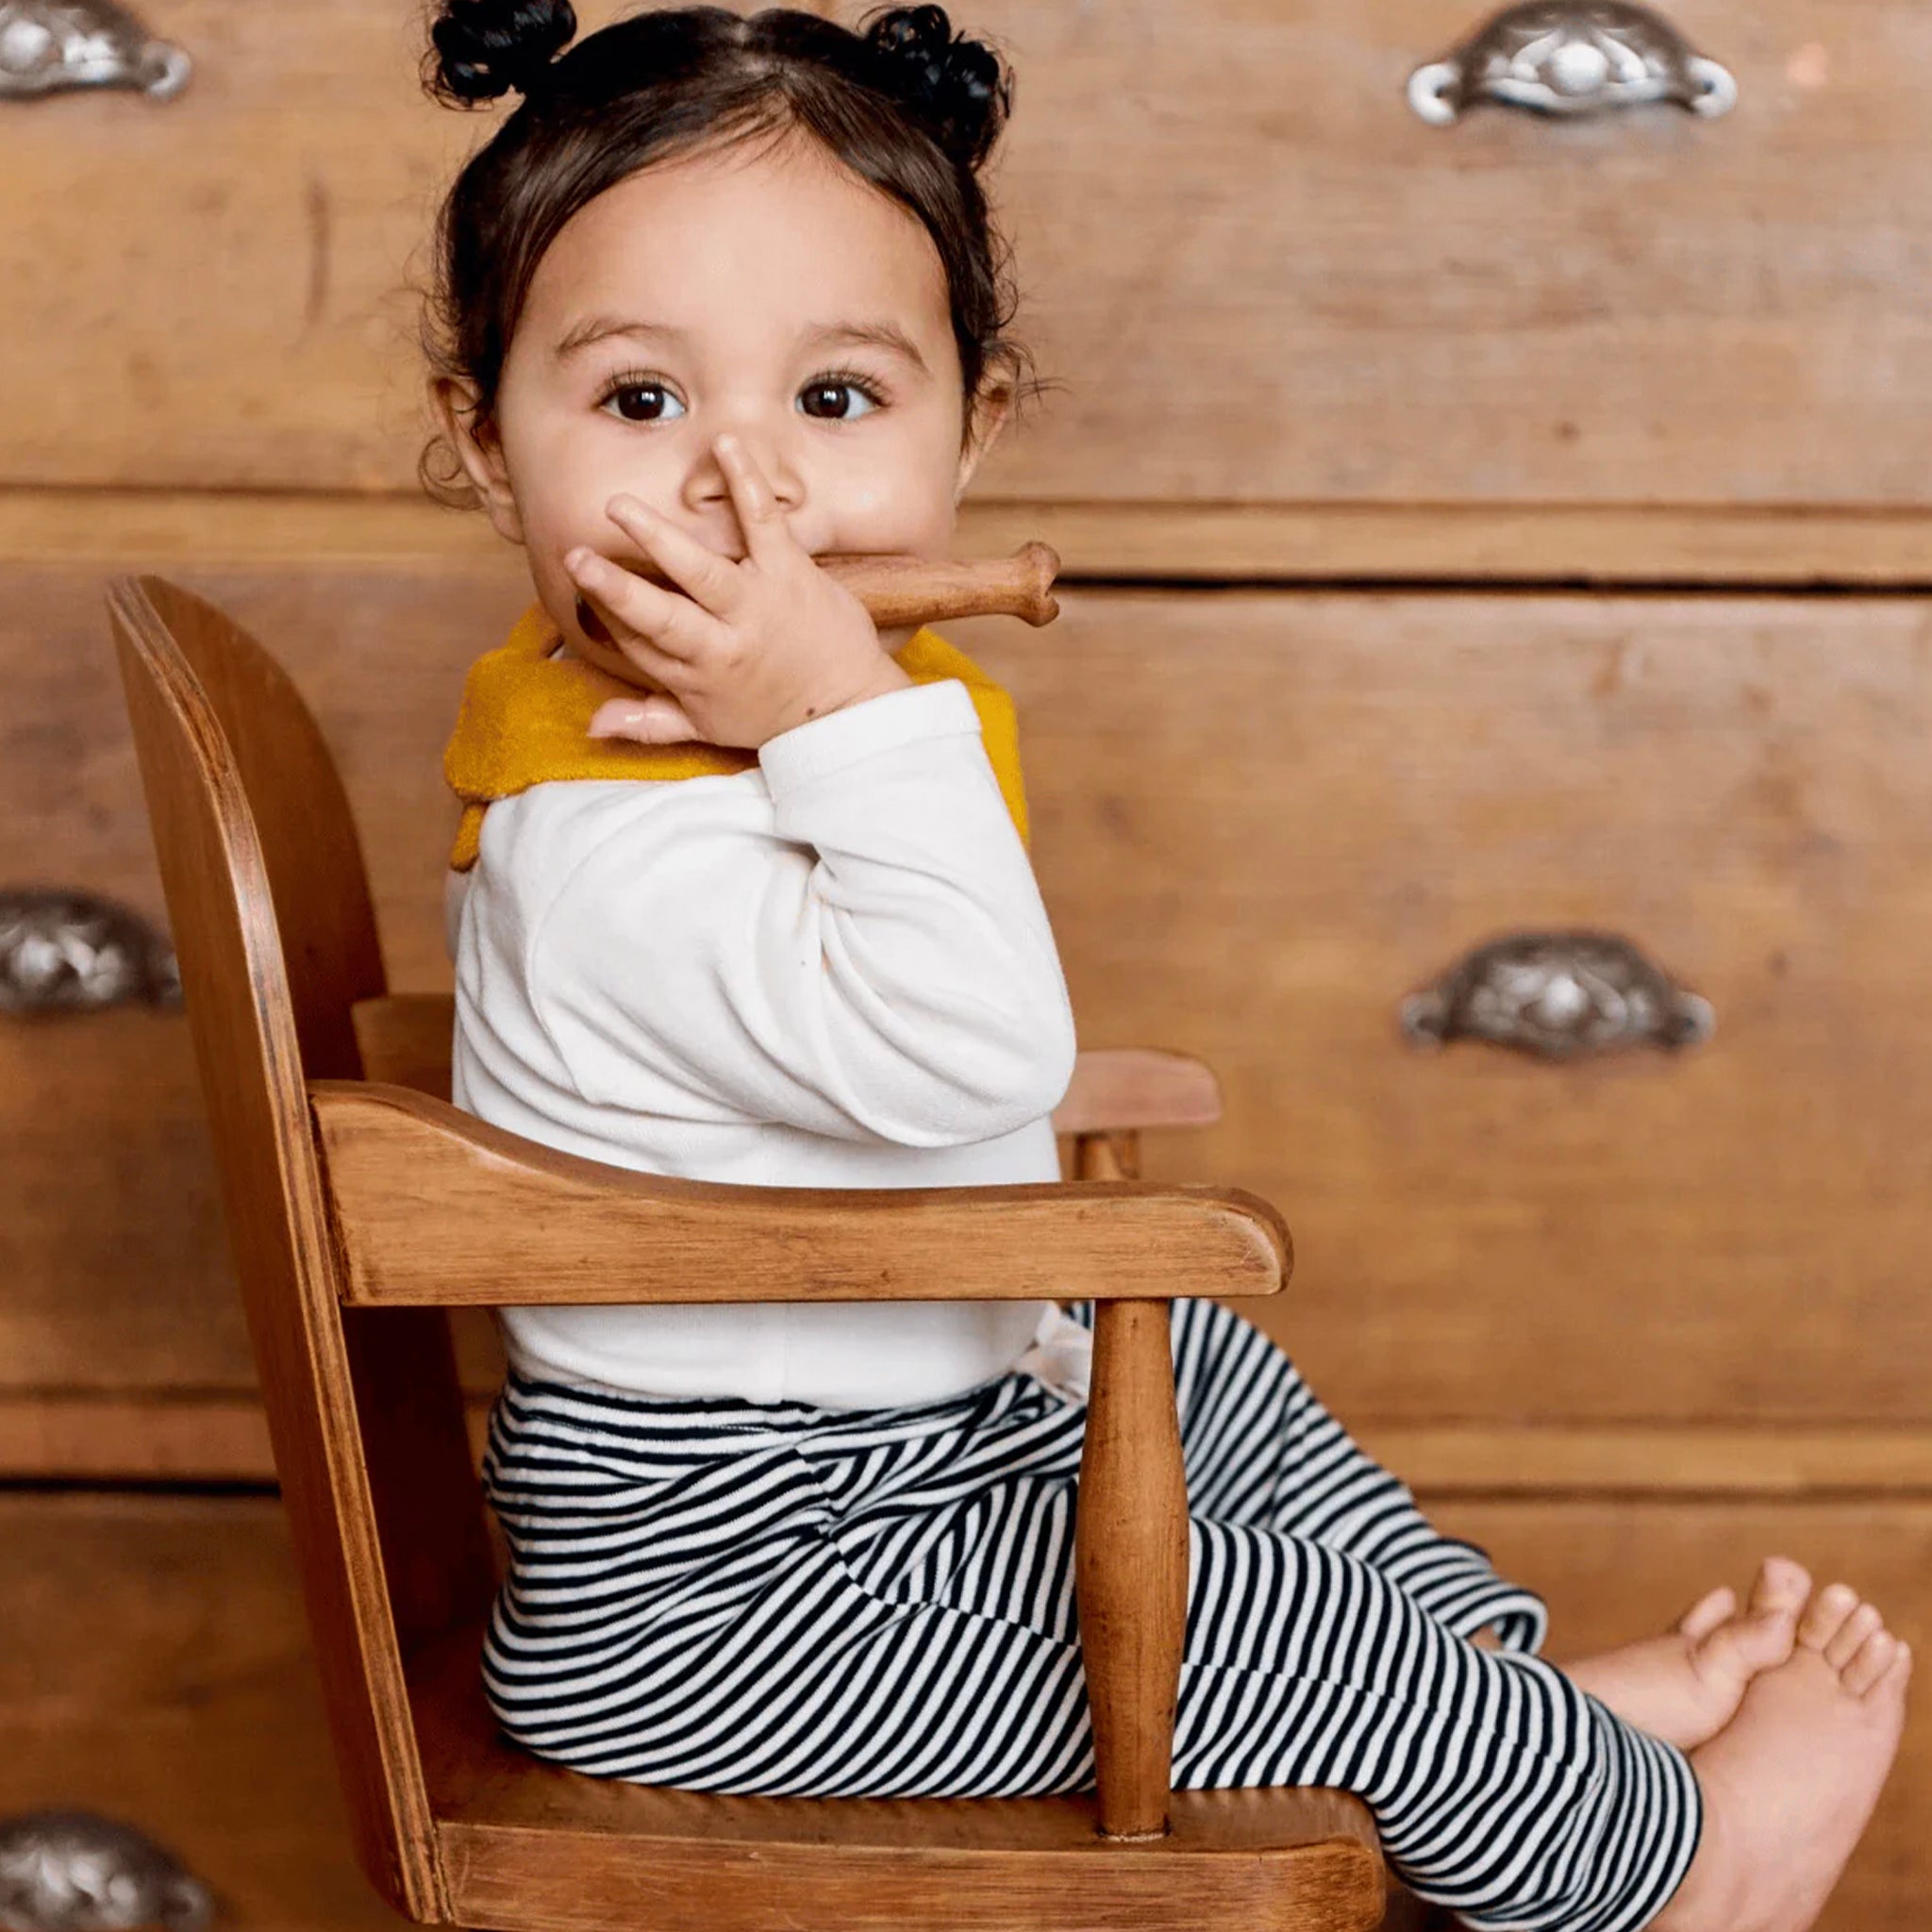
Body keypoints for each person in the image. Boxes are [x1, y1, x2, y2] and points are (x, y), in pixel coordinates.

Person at [421, 5, 1908, 1925]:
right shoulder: (607, 843)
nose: (747, 492)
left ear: (976, 428)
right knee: (1246, 1608)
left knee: (1199, 1367)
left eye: (839, 402)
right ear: (485, 443)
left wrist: (824, 715)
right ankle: (1656, 1868)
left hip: (902, 1462)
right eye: (637, 403)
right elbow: (973, 1060)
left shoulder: (735, 774)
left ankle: (1501, 1721)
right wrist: (844, 704)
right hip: (722, 1595)